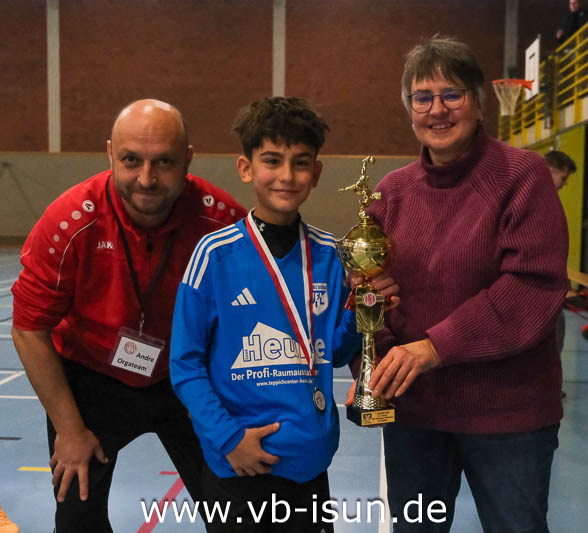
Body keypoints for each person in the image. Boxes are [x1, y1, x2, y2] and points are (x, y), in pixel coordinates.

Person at [11, 99, 247, 532]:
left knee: (238, 514)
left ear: (188, 159)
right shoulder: (69, 222)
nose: (147, 179)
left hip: (187, 379)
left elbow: (248, 319)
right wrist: (69, 430)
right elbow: (29, 329)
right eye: (131, 160)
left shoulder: (221, 221)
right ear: (109, 154)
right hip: (90, 378)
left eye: (164, 162)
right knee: (78, 515)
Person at [364, 37, 568, 532]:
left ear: (478, 103)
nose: (437, 109)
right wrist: (377, 360)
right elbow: (366, 294)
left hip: (508, 417)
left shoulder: (523, 176)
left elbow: (532, 287)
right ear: (409, 109)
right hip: (416, 416)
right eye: (422, 97)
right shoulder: (390, 193)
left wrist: (435, 347)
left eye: (452, 94)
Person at [169, 96, 398, 532]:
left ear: (317, 172)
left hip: (309, 464)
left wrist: (366, 311)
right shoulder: (213, 255)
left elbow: (334, 349)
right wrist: (229, 439)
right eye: (272, 161)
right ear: (246, 168)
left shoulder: (331, 255)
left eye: (301, 163)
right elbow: (184, 365)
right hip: (237, 466)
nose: (287, 176)